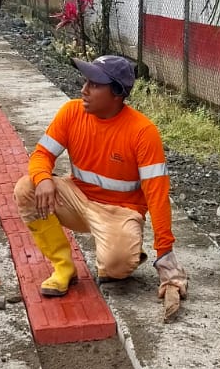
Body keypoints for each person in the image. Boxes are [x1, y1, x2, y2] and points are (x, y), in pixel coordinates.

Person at [14, 54, 187, 305]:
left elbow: (157, 196)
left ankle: (123, 248)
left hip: (120, 211)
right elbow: (42, 154)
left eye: (94, 84)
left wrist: (165, 254)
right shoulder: (71, 112)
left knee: (116, 268)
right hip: (76, 199)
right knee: (27, 188)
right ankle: (63, 267)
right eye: (86, 81)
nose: (84, 90)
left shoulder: (142, 133)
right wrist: (43, 179)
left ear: (117, 93)